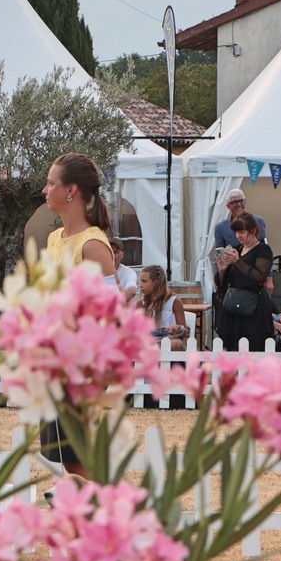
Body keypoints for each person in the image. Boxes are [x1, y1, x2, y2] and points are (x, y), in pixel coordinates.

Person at [41, 153, 118, 473]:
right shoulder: (53, 239)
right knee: (59, 460)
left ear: (70, 190)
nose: (45, 190)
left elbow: (113, 313)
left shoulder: (93, 245)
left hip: (82, 367)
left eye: (50, 183)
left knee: (79, 462)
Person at [215, 215, 276, 350]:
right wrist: (222, 270)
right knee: (232, 346)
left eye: (242, 232)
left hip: (254, 306)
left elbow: (259, 276)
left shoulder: (263, 250)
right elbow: (222, 284)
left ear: (253, 231)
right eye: (236, 232)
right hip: (234, 305)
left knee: (254, 345)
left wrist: (238, 262)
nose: (238, 236)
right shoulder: (236, 249)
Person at [211, 188, 266, 263]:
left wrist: (268, 273)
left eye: (241, 201)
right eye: (235, 202)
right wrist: (219, 274)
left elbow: (264, 249)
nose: (239, 204)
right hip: (232, 270)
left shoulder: (258, 221)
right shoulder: (220, 227)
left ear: (245, 202)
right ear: (228, 206)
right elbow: (220, 254)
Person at [136, 264, 188, 342]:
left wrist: (178, 328)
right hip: (149, 340)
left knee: (175, 344)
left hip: (169, 339)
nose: (141, 285)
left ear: (156, 283)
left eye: (144, 281)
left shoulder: (174, 301)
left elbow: (185, 332)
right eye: (141, 281)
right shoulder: (141, 303)